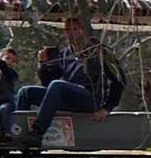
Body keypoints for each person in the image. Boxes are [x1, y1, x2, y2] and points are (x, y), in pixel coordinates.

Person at [10, 17, 126, 146]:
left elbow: (119, 79)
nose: (70, 33)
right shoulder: (66, 53)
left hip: (90, 98)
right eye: (67, 30)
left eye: (74, 29)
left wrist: (107, 107)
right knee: (26, 92)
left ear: (83, 31)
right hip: (68, 97)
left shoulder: (99, 52)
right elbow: (49, 84)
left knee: (57, 86)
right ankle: (18, 133)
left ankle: (37, 133)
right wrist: (43, 64)